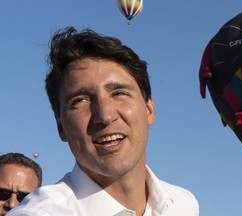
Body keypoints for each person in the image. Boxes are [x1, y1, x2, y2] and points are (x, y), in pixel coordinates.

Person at [7, 27, 199, 216]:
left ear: (149, 109)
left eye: (119, 93)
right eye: (80, 101)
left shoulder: (183, 204)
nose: (105, 115)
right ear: (61, 127)